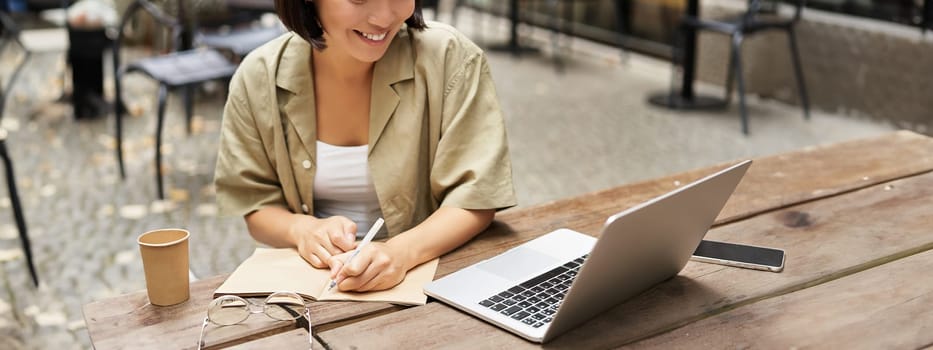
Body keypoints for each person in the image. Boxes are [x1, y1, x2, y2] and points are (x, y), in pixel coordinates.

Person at [214, 0, 516, 293]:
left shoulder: (451, 58)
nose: (383, 16)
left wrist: (400, 253)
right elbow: (256, 204)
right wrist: (300, 229)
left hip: (431, 278)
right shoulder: (258, 77)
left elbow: (476, 197)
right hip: (314, 287)